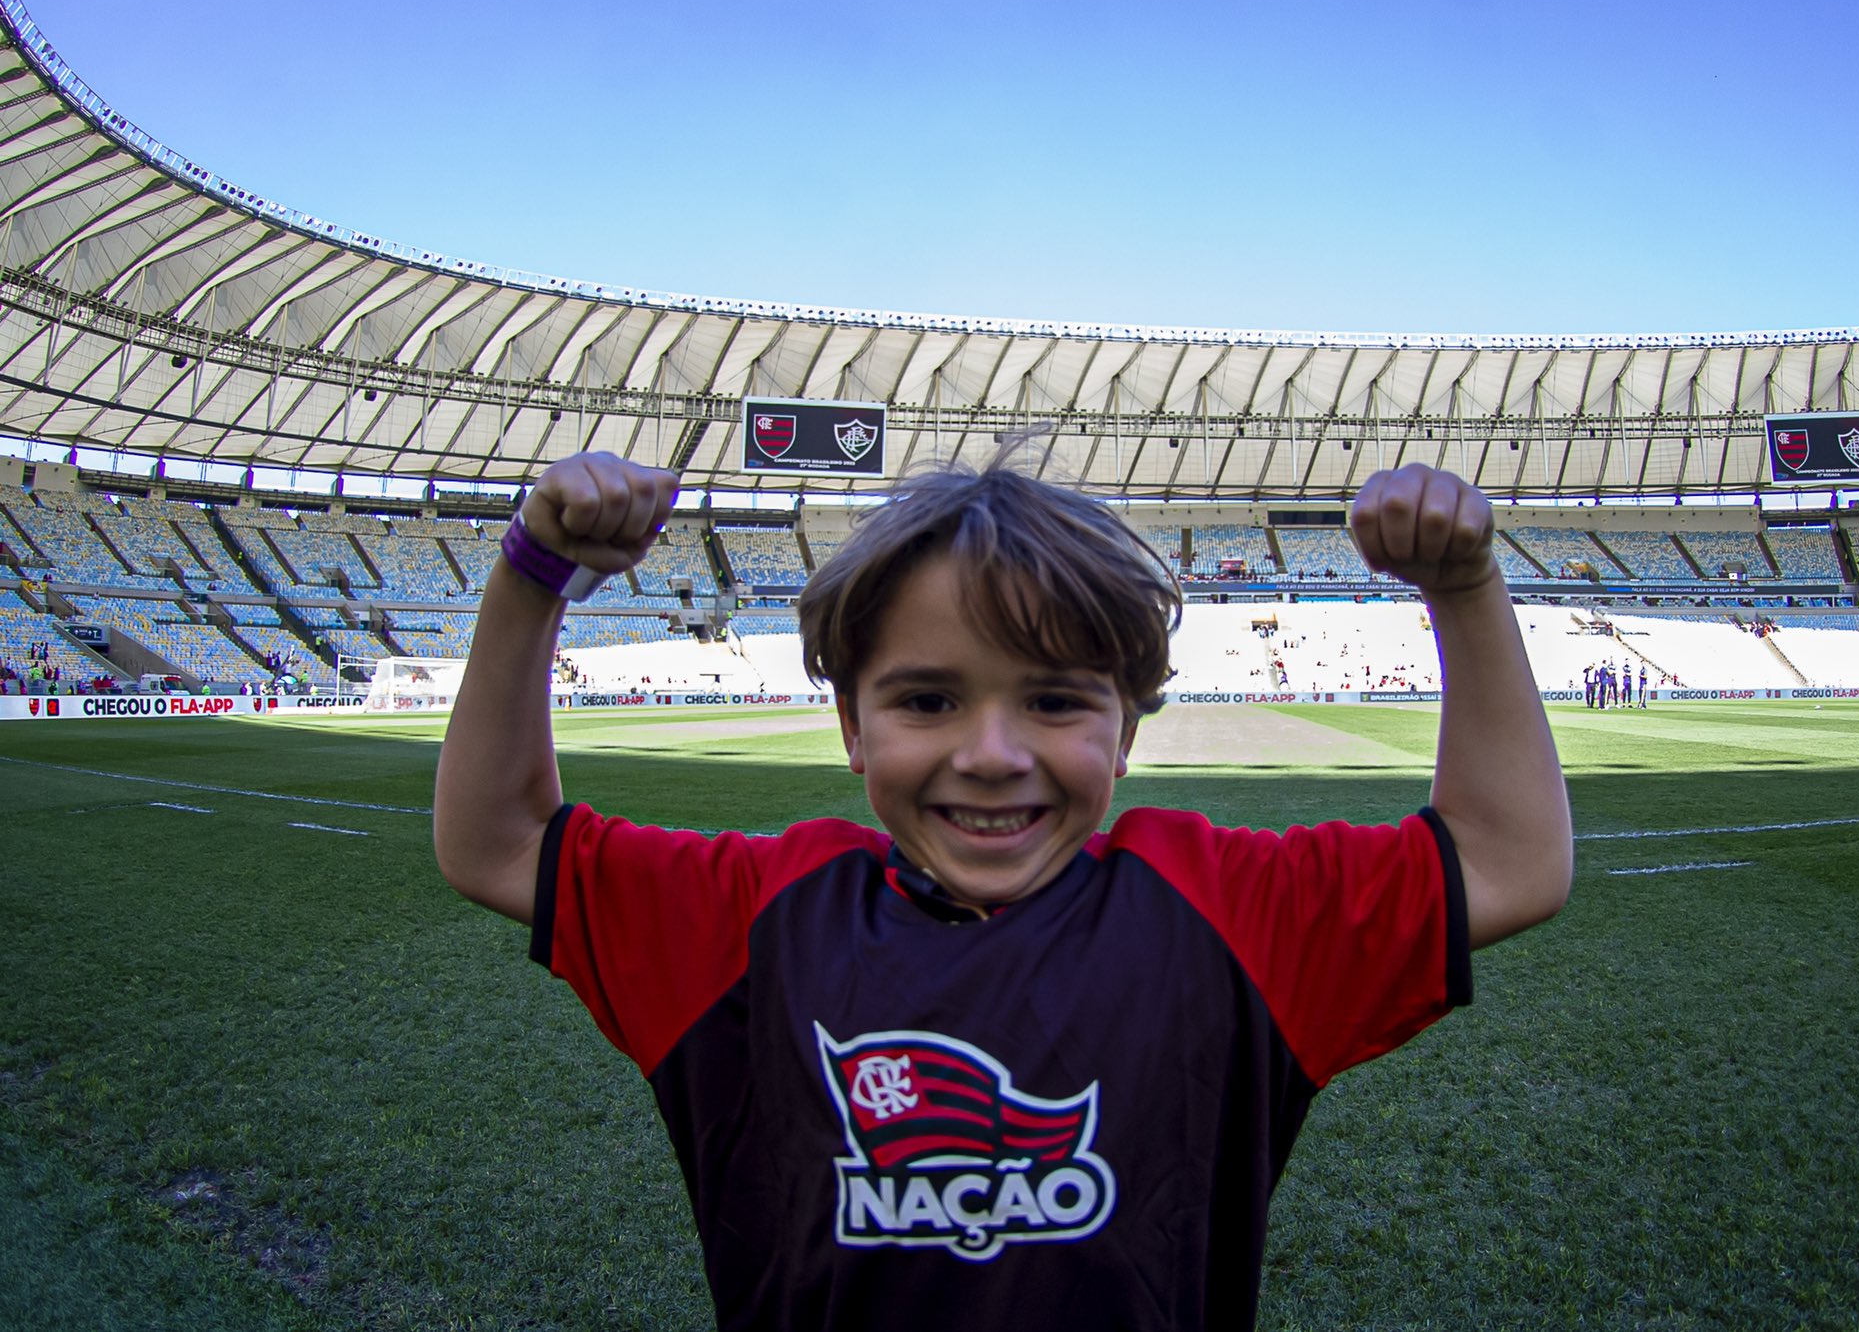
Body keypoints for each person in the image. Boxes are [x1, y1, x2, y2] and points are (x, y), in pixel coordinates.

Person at [434, 451, 1573, 1332]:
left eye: (1054, 702)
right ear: (850, 727)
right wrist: (535, 576)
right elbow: (495, 840)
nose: (989, 752)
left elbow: (1506, 860)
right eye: (926, 701)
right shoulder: (754, 918)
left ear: (1124, 731)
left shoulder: (1225, 911)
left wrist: (1463, 587)